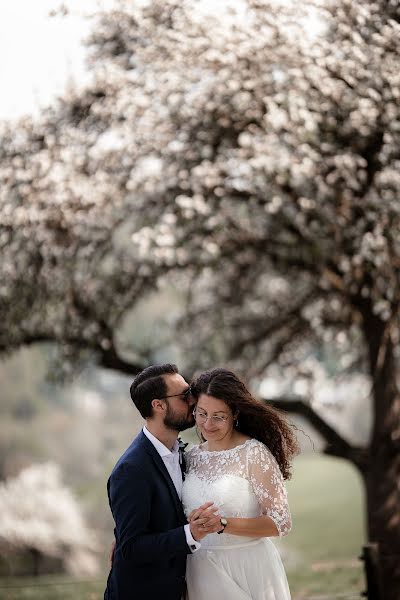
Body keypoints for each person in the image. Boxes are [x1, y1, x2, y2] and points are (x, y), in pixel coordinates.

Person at [104, 363, 222, 600]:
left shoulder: (180, 453)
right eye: (184, 395)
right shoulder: (131, 469)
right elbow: (130, 547)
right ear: (158, 405)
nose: (193, 401)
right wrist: (190, 534)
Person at [182, 368, 299, 600]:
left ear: (235, 413)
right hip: (199, 571)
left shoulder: (253, 453)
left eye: (219, 416)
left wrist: (223, 523)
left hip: (247, 571)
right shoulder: (190, 457)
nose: (207, 424)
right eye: (202, 413)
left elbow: (281, 522)